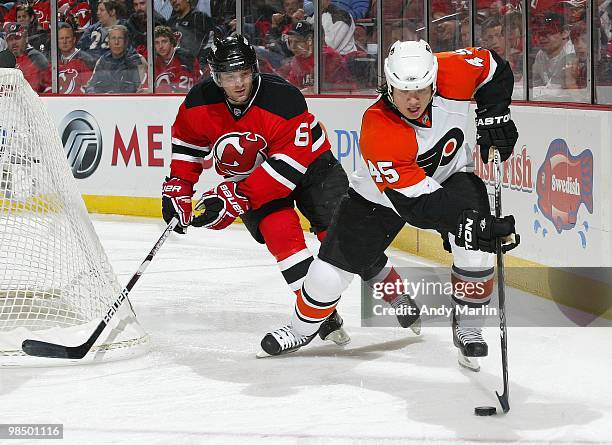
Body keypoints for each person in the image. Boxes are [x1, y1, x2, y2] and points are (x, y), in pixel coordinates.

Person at [259, 40, 520, 368]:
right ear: (387, 86)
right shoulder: (379, 127)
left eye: (422, 90)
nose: (413, 100)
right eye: (402, 92)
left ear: (434, 81)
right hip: (380, 198)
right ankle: (300, 329)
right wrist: (470, 221)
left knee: (475, 248)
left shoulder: (455, 68)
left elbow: (494, 67)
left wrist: (494, 113)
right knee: (326, 277)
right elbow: (417, 206)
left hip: (452, 174)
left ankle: (468, 328)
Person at [161, 35, 421, 352]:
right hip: (252, 179)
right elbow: (187, 147)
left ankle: (394, 292)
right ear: (217, 76)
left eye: (243, 73)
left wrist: (235, 197)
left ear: (253, 69)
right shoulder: (199, 102)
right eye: (229, 76)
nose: (239, 83)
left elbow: (287, 170)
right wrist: (178, 188)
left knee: (342, 239)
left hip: (312, 169)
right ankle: (319, 316)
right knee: (281, 236)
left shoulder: (284, 98)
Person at [86, 24, 146, 93]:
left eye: (120, 38)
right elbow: (90, 87)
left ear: (126, 41)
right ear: (108, 42)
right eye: (113, 38)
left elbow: (141, 90)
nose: (116, 42)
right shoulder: (102, 60)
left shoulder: (137, 59)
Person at [153, 25, 201, 93]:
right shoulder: (154, 61)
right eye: (157, 43)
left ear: (172, 43)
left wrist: (154, 90)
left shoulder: (185, 59)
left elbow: (181, 92)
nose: (160, 46)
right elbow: (143, 89)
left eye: (164, 41)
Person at [4, 22, 49, 93]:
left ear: (26, 39)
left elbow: (36, 90)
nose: (14, 42)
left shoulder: (37, 59)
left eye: (17, 38)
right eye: (10, 39)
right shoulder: (4, 60)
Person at [55, 22, 96, 94]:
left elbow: (90, 88)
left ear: (74, 39)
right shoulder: (54, 59)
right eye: (61, 38)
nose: (64, 41)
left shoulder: (86, 60)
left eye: (67, 38)